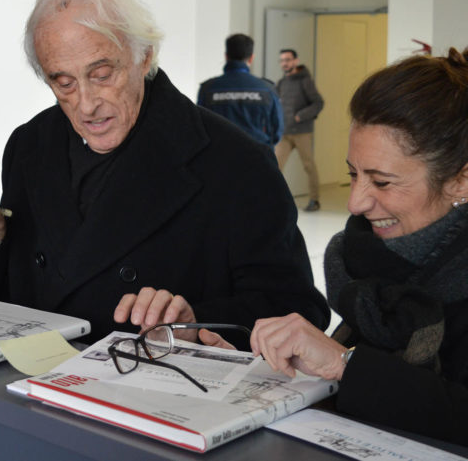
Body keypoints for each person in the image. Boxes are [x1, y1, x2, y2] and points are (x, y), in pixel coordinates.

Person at [0, 0, 328, 346]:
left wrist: (195, 323)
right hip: (33, 387)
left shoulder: (236, 162)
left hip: (151, 394)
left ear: (145, 57)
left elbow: (298, 310)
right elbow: (11, 293)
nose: (87, 103)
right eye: (65, 83)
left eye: (103, 74)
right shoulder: (30, 144)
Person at [243, 48, 468, 445]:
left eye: (382, 182)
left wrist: (342, 363)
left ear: (460, 181)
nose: (355, 203)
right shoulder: (365, 260)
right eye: (353, 174)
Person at [197, 33, 283, 147]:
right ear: (251, 58)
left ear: (226, 56)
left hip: (219, 158)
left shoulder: (208, 88)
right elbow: (277, 130)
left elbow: (198, 128)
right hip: (258, 158)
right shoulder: (267, 89)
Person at [275, 49, 324, 211]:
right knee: (274, 166)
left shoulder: (305, 81)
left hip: (302, 132)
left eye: (288, 60)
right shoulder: (281, 83)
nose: (284, 63)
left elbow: (318, 103)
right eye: (282, 60)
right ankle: (275, 200)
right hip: (284, 133)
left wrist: (301, 116)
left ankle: (314, 200)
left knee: (309, 166)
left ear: (295, 61)